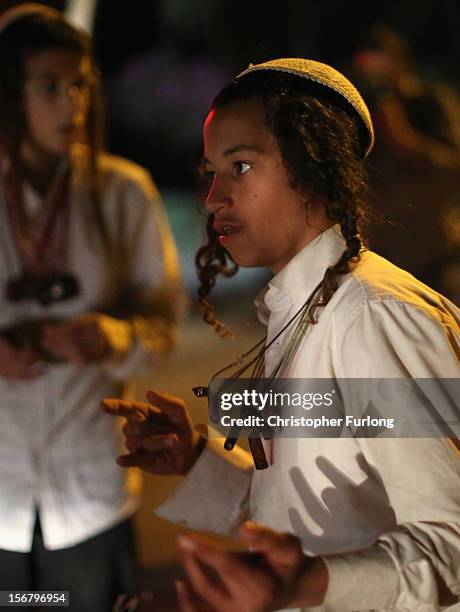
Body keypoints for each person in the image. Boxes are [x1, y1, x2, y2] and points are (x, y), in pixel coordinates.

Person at [103, 58, 460, 611]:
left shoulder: (372, 316)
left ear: (314, 165)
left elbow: (450, 545)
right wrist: (197, 456)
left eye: (241, 166)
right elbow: (311, 495)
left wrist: (310, 584)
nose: (213, 197)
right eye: (210, 172)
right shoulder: (296, 308)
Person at [0, 4, 182, 611]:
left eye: (79, 85)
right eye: (48, 87)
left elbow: (163, 327)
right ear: (10, 93)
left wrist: (112, 336)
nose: (70, 104)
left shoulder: (122, 193)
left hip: (90, 492)